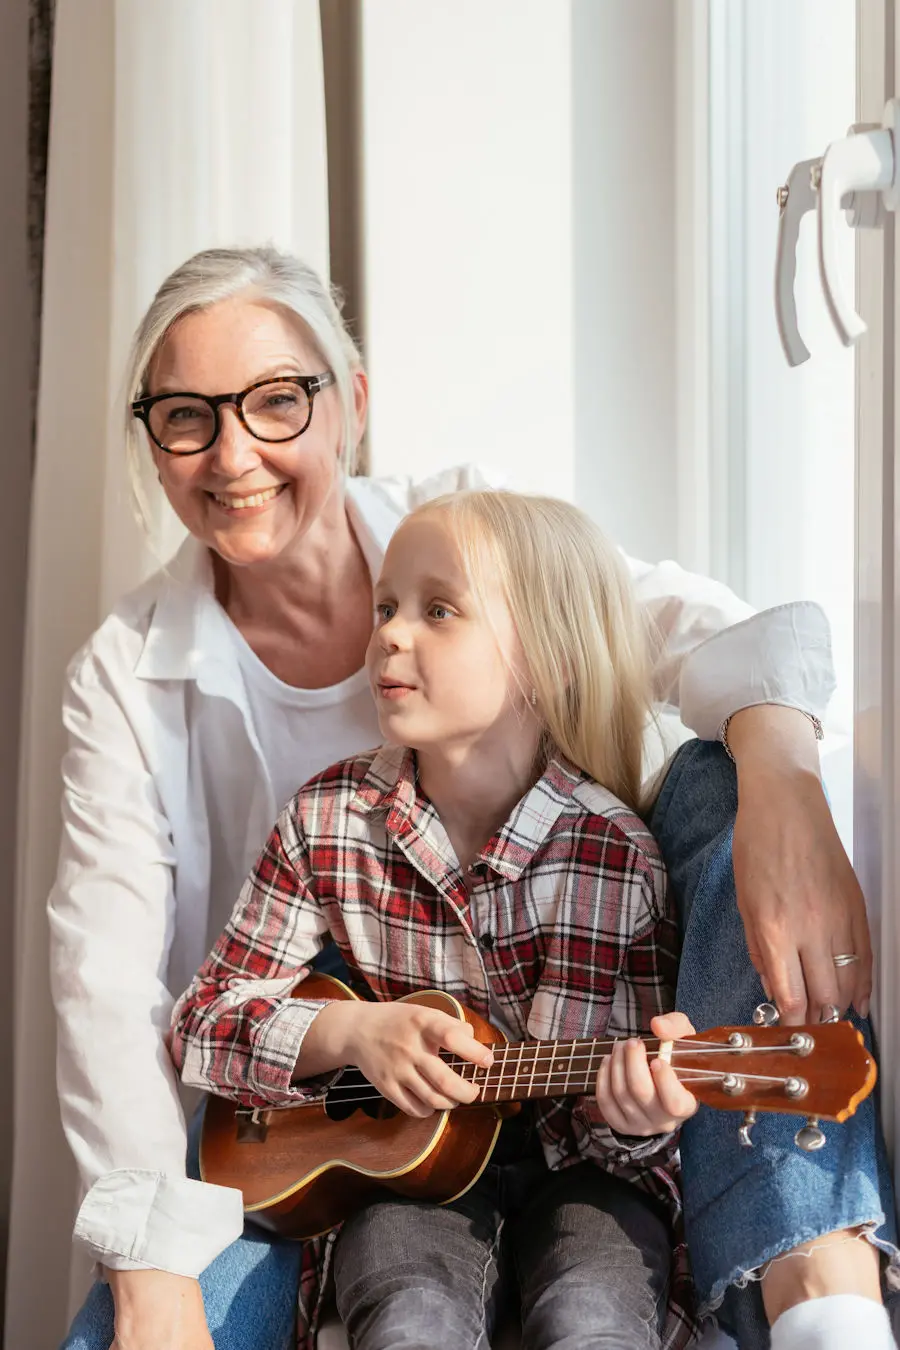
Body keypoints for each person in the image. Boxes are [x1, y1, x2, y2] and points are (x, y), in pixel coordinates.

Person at [50, 244, 894, 1350]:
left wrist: (782, 771)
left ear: (349, 402)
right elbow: (109, 995)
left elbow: (710, 631)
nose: (232, 453)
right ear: (152, 440)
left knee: (716, 772)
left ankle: (817, 1278)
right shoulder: (131, 674)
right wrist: (158, 1281)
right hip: (286, 1110)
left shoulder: (465, 536)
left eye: (274, 403)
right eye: (184, 416)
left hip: (528, 1115)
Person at [168, 487, 704, 1350]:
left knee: (592, 1319)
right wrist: (349, 1034)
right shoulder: (330, 820)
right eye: (386, 607)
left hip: (581, 1180)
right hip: (413, 1183)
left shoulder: (614, 859)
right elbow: (202, 1024)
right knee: (410, 1315)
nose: (389, 633)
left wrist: (638, 1118)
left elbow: (622, 1146)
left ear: (547, 657)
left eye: (438, 610)